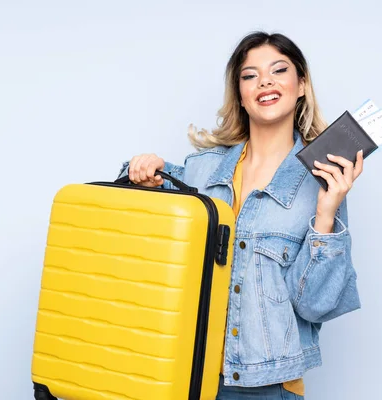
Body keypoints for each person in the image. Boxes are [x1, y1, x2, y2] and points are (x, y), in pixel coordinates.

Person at [117, 31, 364, 399]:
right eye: (250, 75)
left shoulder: (322, 185)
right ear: (241, 96)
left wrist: (326, 214)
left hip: (267, 386)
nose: (264, 80)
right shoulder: (201, 171)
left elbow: (315, 306)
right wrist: (141, 171)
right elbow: (133, 237)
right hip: (183, 373)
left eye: (279, 70)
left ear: (301, 86)